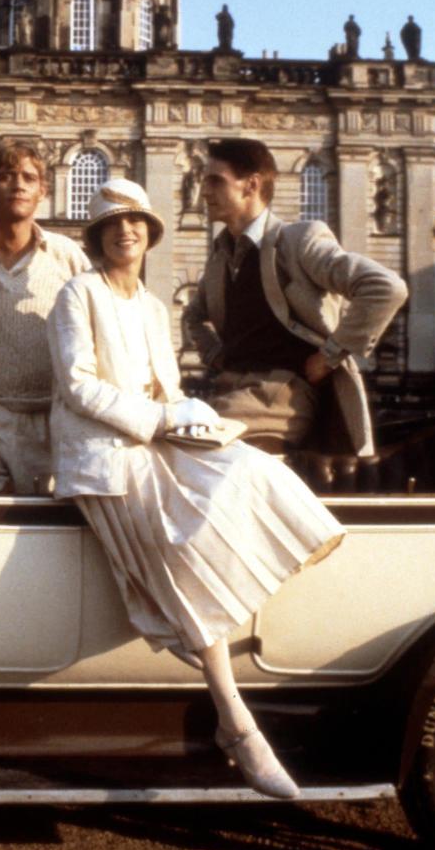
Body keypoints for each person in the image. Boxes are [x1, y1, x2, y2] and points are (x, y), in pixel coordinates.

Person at [47, 179, 345, 799]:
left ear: (150, 235)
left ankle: (253, 648)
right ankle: (236, 721)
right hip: (103, 453)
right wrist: (162, 420)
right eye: (113, 223)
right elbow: (78, 386)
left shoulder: (154, 308)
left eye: (136, 221)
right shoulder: (77, 293)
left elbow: (169, 389)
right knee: (180, 546)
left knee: (251, 470)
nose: (125, 230)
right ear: (99, 237)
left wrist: (202, 419)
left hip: (158, 439)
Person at [183, 139, 407, 456]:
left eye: (215, 180)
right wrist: (217, 357)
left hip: (282, 395)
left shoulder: (298, 241)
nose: (203, 191)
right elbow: (193, 316)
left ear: (251, 185)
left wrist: (331, 354)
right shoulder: (221, 256)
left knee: (184, 446)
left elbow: (385, 287)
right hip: (229, 390)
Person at [0, 141, 90, 494]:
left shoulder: (67, 255)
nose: (18, 185)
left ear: (43, 189)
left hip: (54, 418)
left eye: (28, 177)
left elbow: (94, 327)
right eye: (6, 176)